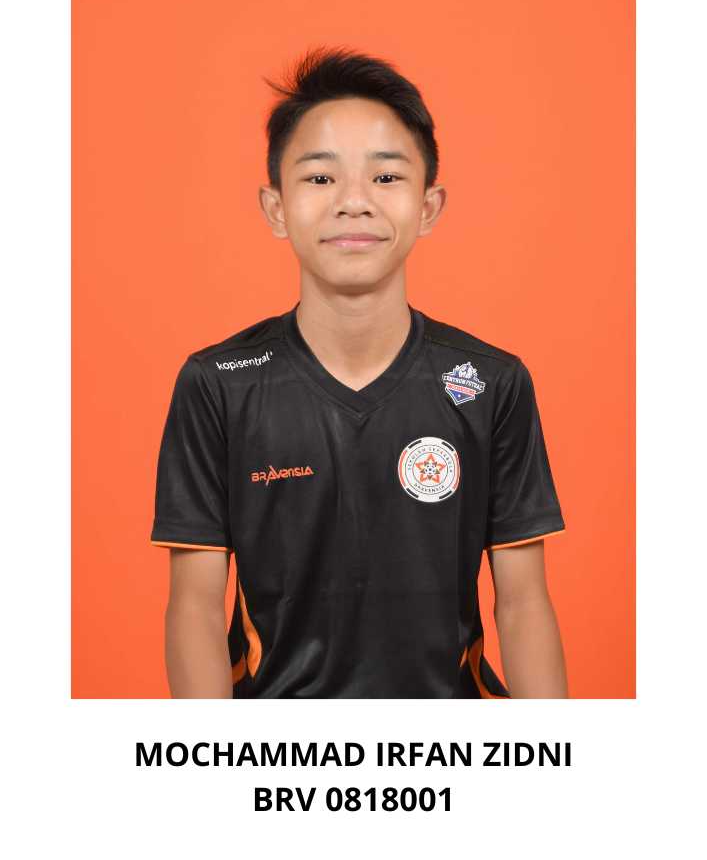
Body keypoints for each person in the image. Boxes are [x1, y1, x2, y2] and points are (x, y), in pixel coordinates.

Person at [150, 45, 568, 698]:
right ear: (275, 207)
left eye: (386, 177)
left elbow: (521, 603)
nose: (353, 202)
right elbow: (195, 607)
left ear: (428, 207)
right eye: (320, 178)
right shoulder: (219, 383)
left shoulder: (491, 382)